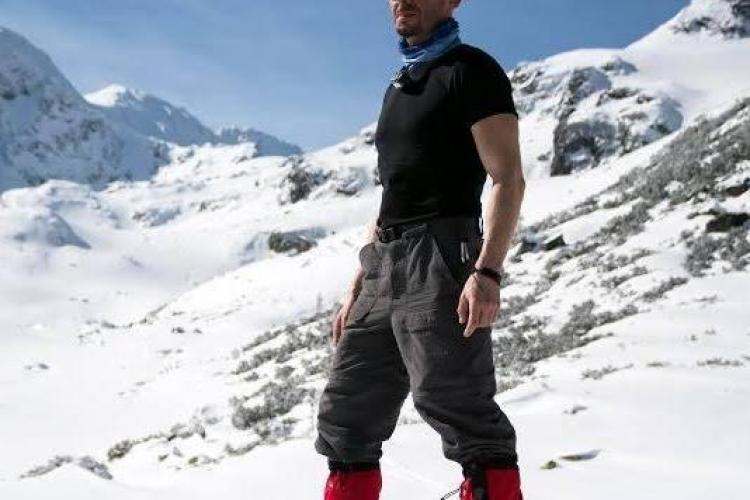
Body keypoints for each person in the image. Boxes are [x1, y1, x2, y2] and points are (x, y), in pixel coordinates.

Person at [314, 1, 525, 499]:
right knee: (346, 412)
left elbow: (507, 177)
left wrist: (487, 272)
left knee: (455, 403)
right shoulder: (399, 86)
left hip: (441, 252)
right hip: (384, 261)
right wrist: (361, 279)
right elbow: (394, 191)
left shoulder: (471, 70)